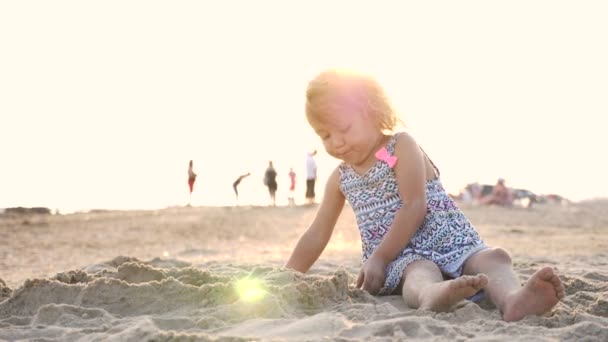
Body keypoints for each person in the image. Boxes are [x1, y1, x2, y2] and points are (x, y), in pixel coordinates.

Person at [285, 69, 564, 322]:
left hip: (450, 240)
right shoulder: (340, 179)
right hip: (402, 258)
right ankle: (432, 294)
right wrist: (288, 275)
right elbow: (317, 234)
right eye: (325, 135)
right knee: (418, 271)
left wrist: (379, 256)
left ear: (372, 112)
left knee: (493, 258)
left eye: (344, 129)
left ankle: (513, 299)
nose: (336, 142)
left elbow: (414, 205)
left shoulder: (399, 147)